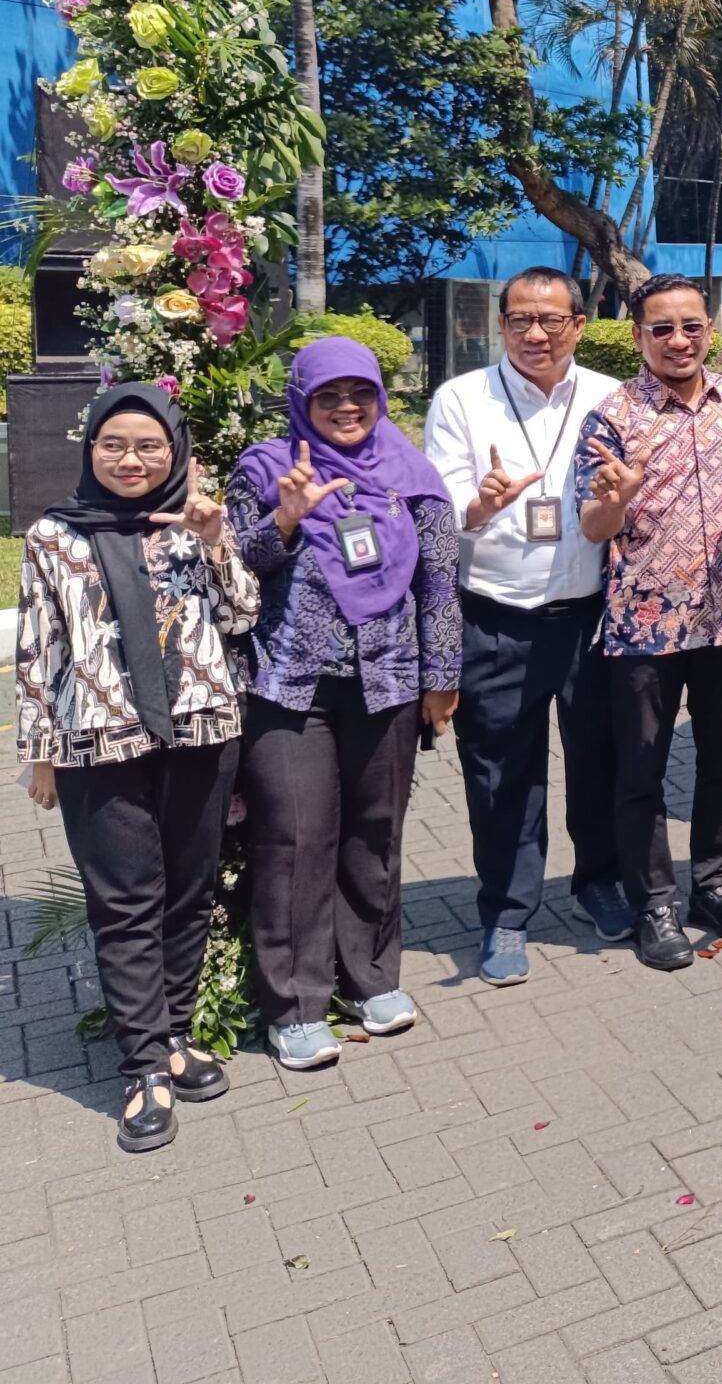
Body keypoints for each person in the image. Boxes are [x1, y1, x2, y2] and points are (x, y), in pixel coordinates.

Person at [17, 388, 257, 1150]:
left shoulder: (197, 524)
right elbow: (37, 649)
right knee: (124, 905)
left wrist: (218, 542)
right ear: (90, 448)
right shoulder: (55, 535)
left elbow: (243, 617)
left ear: (175, 451)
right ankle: (143, 1067)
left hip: (201, 733)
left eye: (150, 446)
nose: (131, 459)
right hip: (100, 741)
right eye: (114, 444)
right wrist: (40, 753)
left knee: (189, 893)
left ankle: (178, 1036)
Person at [229, 337, 461, 1070]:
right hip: (288, 686)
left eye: (360, 393)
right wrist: (285, 521)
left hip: (388, 683)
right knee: (295, 841)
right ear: (302, 400)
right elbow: (229, 574)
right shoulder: (267, 468)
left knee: (375, 831)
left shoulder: (411, 473)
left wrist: (442, 676)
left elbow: (441, 585)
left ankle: (370, 979)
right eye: (328, 396)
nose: (347, 408)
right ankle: (293, 1005)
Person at [421, 266, 625, 984]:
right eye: (519, 320)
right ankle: (506, 914)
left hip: (590, 618)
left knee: (600, 762)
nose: (535, 334)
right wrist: (479, 505)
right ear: (499, 325)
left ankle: (599, 881)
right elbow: (437, 511)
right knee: (501, 775)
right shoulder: (461, 399)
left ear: (579, 321)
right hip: (495, 618)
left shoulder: (610, 396)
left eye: (551, 319)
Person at [575, 274, 722, 973]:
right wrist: (618, 498)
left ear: (710, 329)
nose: (677, 340)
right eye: (660, 328)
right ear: (637, 336)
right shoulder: (614, 416)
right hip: (642, 627)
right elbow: (591, 525)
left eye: (690, 326)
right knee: (641, 772)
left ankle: (714, 884)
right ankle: (654, 904)